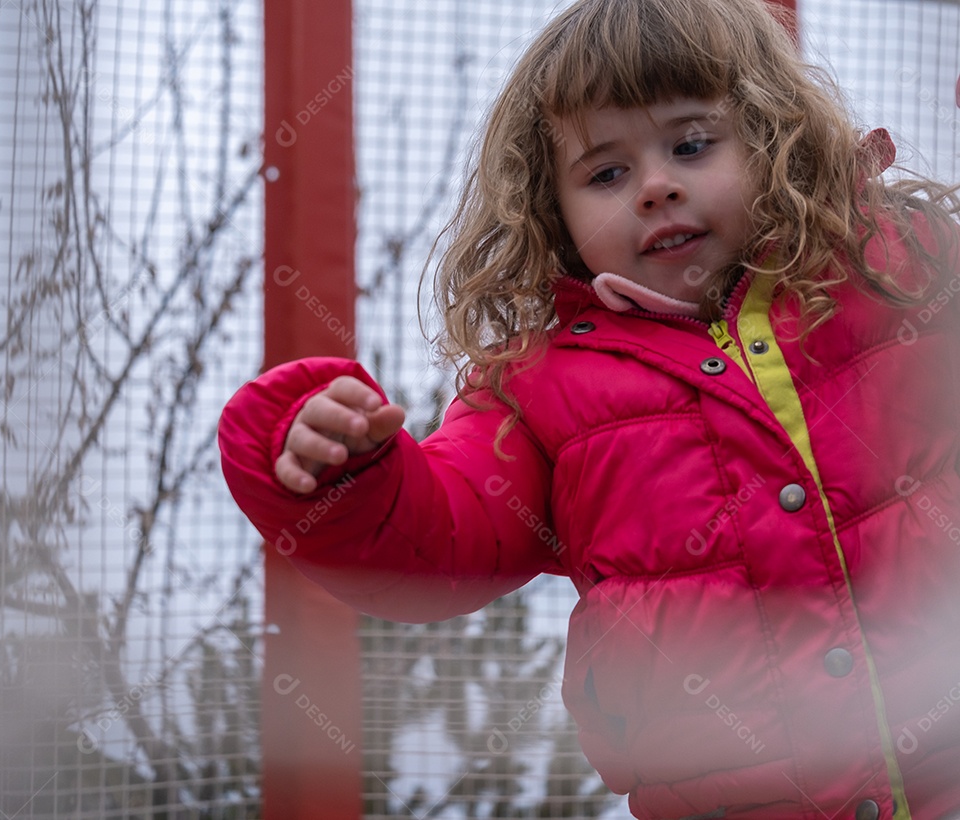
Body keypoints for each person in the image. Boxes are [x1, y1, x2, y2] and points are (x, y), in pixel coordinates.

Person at [219, 0, 960, 816]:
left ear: (771, 137)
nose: (656, 186)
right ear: (553, 210)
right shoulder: (541, 387)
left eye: (691, 144)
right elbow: (442, 530)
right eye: (606, 173)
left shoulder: (897, 270)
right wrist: (349, 476)